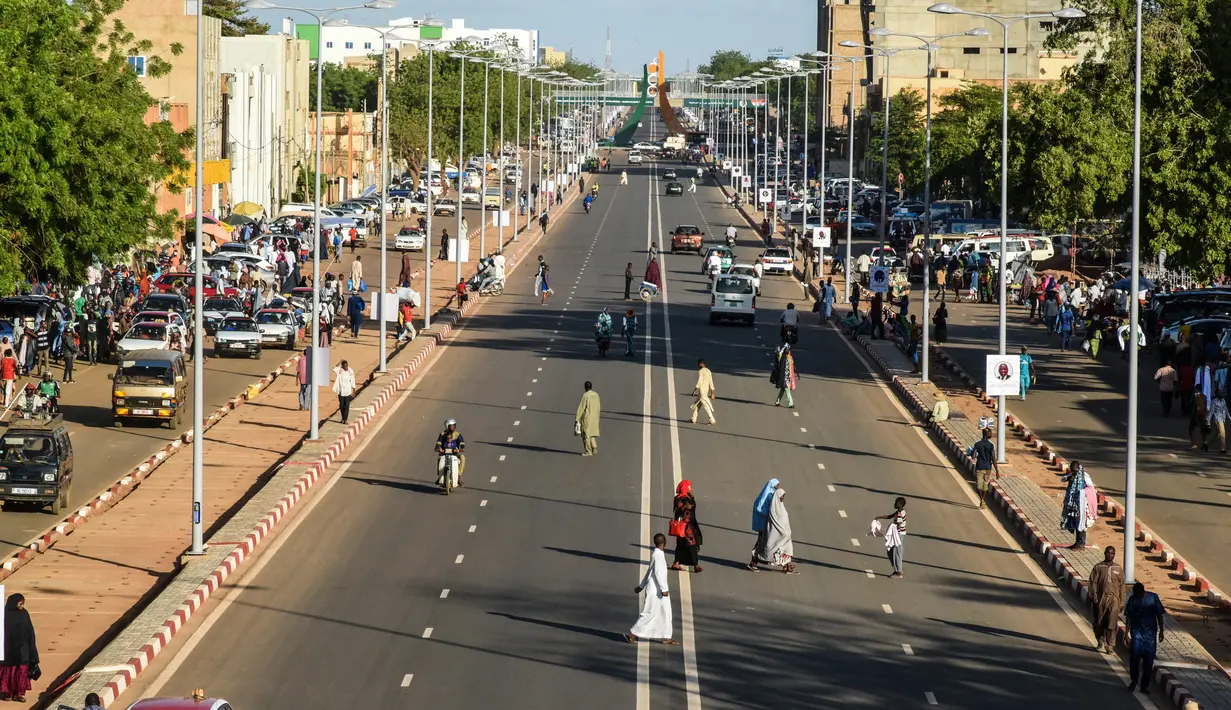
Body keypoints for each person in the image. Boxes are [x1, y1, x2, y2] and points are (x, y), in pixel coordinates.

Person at [625, 533, 677, 644]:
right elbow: (657, 573)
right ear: (664, 542)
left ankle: (666, 636)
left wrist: (641, 585)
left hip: (659, 590)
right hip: (656, 591)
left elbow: (650, 572)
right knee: (649, 613)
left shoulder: (657, 554)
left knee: (666, 612)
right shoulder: (658, 555)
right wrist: (664, 590)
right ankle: (632, 633)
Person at [1123, 582, 1166, 694]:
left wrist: (1161, 630)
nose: (1136, 595)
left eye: (1137, 593)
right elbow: (1129, 617)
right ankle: (1134, 679)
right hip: (1137, 633)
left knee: (1149, 661)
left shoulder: (1153, 597)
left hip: (1150, 635)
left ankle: (1144, 686)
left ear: (1142, 591)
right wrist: (1126, 633)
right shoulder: (1132, 599)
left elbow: (1159, 614)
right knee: (1134, 658)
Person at [748, 479, 796, 573]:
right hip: (765, 526)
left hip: (774, 528)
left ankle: (786, 566)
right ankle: (753, 562)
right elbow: (759, 508)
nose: (777, 487)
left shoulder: (775, 499)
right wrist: (768, 517)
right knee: (762, 546)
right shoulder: (765, 496)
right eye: (776, 485)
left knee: (785, 546)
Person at [0, 593, 38, 703]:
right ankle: (8, 693)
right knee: (9, 672)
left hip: (23, 649)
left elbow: (30, 631)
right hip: (9, 649)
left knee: (21, 672)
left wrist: (32, 649)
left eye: (23, 603)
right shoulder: (4, 614)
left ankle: (19, 694)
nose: (21, 605)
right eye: (20, 603)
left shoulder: (24, 613)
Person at [1088, 545, 1126, 653]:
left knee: (1111, 622)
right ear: (1104, 553)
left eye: (1112, 553)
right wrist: (1094, 595)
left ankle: (1110, 645)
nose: (1110, 555)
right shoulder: (1098, 567)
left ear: (1114, 555)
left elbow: (1122, 585)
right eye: (1108, 553)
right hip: (1101, 599)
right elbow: (1093, 582)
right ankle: (1100, 639)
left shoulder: (1118, 568)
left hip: (1114, 599)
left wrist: (1122, 602)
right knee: (1099, 622)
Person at [1060, 461, 1098, 549]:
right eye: (1072, 471)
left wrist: (1083, 492)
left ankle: (1081, 543)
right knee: (1076, 523)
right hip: (1074, 504)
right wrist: (1069, 478)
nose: (1073, 472)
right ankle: (1077, 542)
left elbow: (1091, 488)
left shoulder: (1085, 476)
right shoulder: (1072, 475)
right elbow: (1062, 479)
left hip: (1082, 504)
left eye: (1074, 470)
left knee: (1082, 523)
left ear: (1078, 468)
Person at [670, 481, 704, 572]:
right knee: (691, 544)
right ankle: (695, 565)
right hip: (686, 526)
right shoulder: (680, 499)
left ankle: (676, 562)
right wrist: (686, 506)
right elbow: (681, 510)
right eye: (689, 487)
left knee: (681, 545)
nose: (691, 488)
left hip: (690, 524)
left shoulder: (688, 496)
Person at [966, 428, 999, 508]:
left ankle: (981, 500)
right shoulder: (991, 445)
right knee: (985, 485)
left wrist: (971, 453)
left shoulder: (977, 444)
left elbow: (973, 456)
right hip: (988, 468)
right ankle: (983, 499)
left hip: (979, 467)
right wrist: (997, 471)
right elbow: (993, 458)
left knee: (978, 486)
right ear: (988, 435)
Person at [876, 496, 907, 579]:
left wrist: (893, 530)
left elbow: (898, 525)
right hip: (898, 535)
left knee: (897, 553)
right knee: (891, 551)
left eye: (896, 502)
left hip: (898, 535)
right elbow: (890, 516)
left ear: (900, 504)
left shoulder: (900, 514)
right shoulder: (899, 512)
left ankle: (898, 572)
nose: (894, 503)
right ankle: (896, 569)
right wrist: (879, 517)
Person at [435, 418, 466, 486]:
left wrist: (462, 448)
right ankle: (439, 476)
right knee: (439, 459)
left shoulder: (457, 434)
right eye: (451, 426)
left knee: (462, 457)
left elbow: (462, 443)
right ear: (447, 426)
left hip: (455, 453)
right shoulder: (442, 434)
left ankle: (459, 477)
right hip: (444, 453)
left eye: (454, 425)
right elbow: (438, 443)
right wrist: (438, 448)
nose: (453, 427)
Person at [575, 380, 601, 456]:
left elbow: (581, 408)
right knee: (592, 433)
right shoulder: (596, 395)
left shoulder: (585, 395)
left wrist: (577, 418)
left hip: (588, 417)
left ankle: (588, 451)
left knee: (586, 434)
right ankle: (594, 447)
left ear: (585, 387)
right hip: (595, 416)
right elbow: (599, 406)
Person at [690, 358, 717, 425]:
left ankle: (712, 420)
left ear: (701, 364)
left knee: (706, 406)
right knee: (697, 405)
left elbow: (699, 381)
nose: (698, 366)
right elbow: (711, 383)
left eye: (698, 364)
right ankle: (693, 419)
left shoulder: (701, 371)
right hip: (705, 391)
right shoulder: (708, 371)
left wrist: (694, 390)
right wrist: (712, 393)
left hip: (702, 392)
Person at [332, 359, 356, 425]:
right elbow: (334, 368)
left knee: (347, 405)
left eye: (347, 366)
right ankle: (343, 418)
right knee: (341, 406)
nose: (346, 367)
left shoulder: (350, 371)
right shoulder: (339, 370)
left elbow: (353, 380)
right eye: (344, 366)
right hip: (340, 391)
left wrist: (353, 390)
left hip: (348, 391)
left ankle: (345, 419)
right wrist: (339, 362)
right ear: (342, 366)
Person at [772, 344, 797, 408]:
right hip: (785, 378)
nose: (789, 351)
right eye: (788, 350)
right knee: (787, 391)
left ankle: (777, 402)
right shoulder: (784, 358)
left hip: (786, 378)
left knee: (782, 390)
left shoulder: (787, 357)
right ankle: (791, 404)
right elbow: (783, 369)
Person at [1208, 387, 1228, 453]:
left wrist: (1230, 417)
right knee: (1223, 432)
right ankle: (1223, 449)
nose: (1221, 394)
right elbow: (1211, 412)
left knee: (1217, 434)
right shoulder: (1214, 401)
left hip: (1223, 418)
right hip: (1218, 419)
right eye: (1219, 392)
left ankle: (1207, 444)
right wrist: (1208, 422)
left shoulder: (1223, 401)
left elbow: (1226, 410)